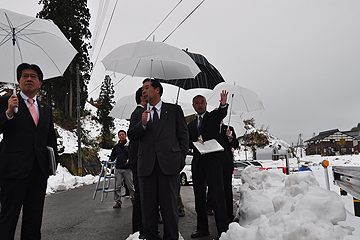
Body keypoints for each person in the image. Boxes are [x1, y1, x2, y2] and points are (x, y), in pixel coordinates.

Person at [0, 63, 59, 239]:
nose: (29, 79)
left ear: (40, 83)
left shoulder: (45, 109)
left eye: (33, 76)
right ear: (19, 81)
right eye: (24, 75)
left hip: (38, 172)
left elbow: (50, 138)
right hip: (13, 172)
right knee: (8, 219)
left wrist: (52, 164)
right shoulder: (6, 102)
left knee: (34, 220)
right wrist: (9, 112)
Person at [128, 79, 189, 240]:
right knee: (148, 211)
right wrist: (142, 124)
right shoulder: (139, 113)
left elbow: (184, 136)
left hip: (169, 166)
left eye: (147, 88)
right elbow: (131, 136)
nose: (143, 91)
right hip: (146, 168)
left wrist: (180, 159)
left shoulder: (174, 110)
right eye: (142, 89)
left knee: (170, 209)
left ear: (158, 90)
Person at [188, 93, 229, 238]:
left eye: (202, 102)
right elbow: (187, 141)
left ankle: (223, 230)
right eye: (197, 103)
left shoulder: (212, 117)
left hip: (214, 162)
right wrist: (194, 143)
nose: (200, 105)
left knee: (218, 196)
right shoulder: (191, 124)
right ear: (193, 106)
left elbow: (221, 113)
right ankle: (202, 229)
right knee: (199, 197)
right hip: (198, 163)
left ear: (206, 104)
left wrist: (223, 104)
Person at [128, 87, 146, 238]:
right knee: (141, 195)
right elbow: (132, 135)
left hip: (140, 160)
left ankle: (141, 227)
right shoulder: (139, 113)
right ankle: (139, 229)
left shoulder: (140, 112)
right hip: (139, 160)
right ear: (142, 97)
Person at [109, 130, 135, 208]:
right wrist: (111, 159)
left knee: (130, 186)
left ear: (125, 135)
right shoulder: (116, 147)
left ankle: (133, 199)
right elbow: (113, 155)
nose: (121, 136)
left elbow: (133, 153)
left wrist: (129, 159)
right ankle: (118, 201)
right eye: (120, 135)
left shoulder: (129, 145)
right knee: (117, 186)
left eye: (123, 134)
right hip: (118, 168)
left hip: (127, 169)